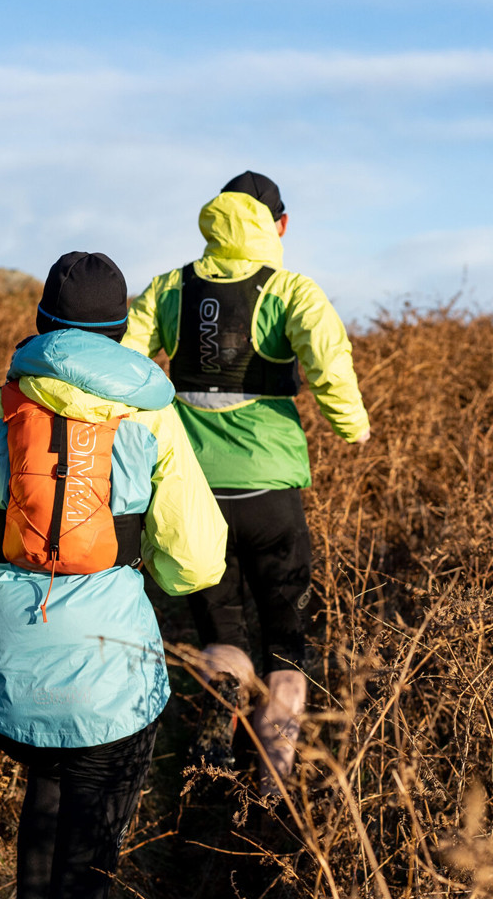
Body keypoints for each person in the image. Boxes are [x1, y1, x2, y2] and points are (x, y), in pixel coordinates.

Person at [0, 251, 228, 899]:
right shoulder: (153, 418)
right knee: (91, 839)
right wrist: (155, 572)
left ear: (41, 324)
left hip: (9, 674)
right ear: (121, 332)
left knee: (49, 768)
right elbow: (198, 560)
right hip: (112, 677)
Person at [122, 171, 370, 796]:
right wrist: (353, 428)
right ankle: (272, 789)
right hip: (271, 495)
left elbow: (124, 364)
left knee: (222, 633)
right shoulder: (292, 290)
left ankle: (219, 746)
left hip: (193, 492)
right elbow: (329, 363)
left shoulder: (170, 287)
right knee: (286, 640)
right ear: (279, 225)